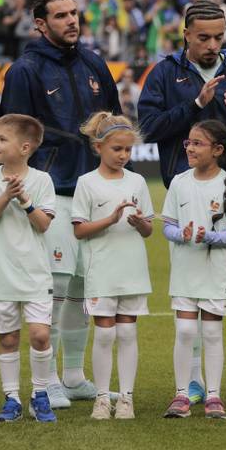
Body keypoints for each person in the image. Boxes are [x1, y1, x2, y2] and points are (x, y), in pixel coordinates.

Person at [138, 0, 226, 404]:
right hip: (187, 195)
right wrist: (195, 105)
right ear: (185, 35)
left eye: (219, 37)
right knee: (194, 287)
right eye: (203, 37)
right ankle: (196, 381)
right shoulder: (164, 73)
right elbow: (148, 128)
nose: (212, 45)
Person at [1, 0, 122, 408]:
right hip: (52, 192)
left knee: (83, 290)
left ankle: (73, 375)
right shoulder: (25, 70)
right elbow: (13, 134)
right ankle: (47, 380)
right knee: (53, 288)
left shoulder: (93, 62)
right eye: (60, 15)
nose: (72, 20)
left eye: (74, 13)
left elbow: (113, 121)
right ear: (40, 24)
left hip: (93, 190)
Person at [161, 120, 226, 420]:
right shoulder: (179, 182)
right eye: (189, 142)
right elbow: (167, 226)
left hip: (215, 270)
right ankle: (181, 395)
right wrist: (182, 234)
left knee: (211, 332)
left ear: (217, 150)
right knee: (185, 331)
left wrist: (209, 237)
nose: (190, 148)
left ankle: (213, 396)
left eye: (198, 143)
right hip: (185, 268)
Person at [0, 114, 58, 424]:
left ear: (25, 147)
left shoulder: (42, 180)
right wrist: (5, 195)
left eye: (2, 139)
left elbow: (43, 224)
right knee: (8, 339)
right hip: (1, 274)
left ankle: (40, 394)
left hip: (35, 273)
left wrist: (25, 200)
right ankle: (11, 399)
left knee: (40, 335)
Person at [73, 112, 154, 420]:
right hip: (101, 269)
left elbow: (148, 230)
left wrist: (139, 223)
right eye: (117, 149)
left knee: (128, 333)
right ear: (98, 147)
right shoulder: (86, 183)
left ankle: (127, 399)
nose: (123, 155)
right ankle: (102, 398)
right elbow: (79, 230)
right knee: (105, 334)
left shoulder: (137, 181)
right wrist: (110, 219)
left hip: (131, 268)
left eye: (128, 150)